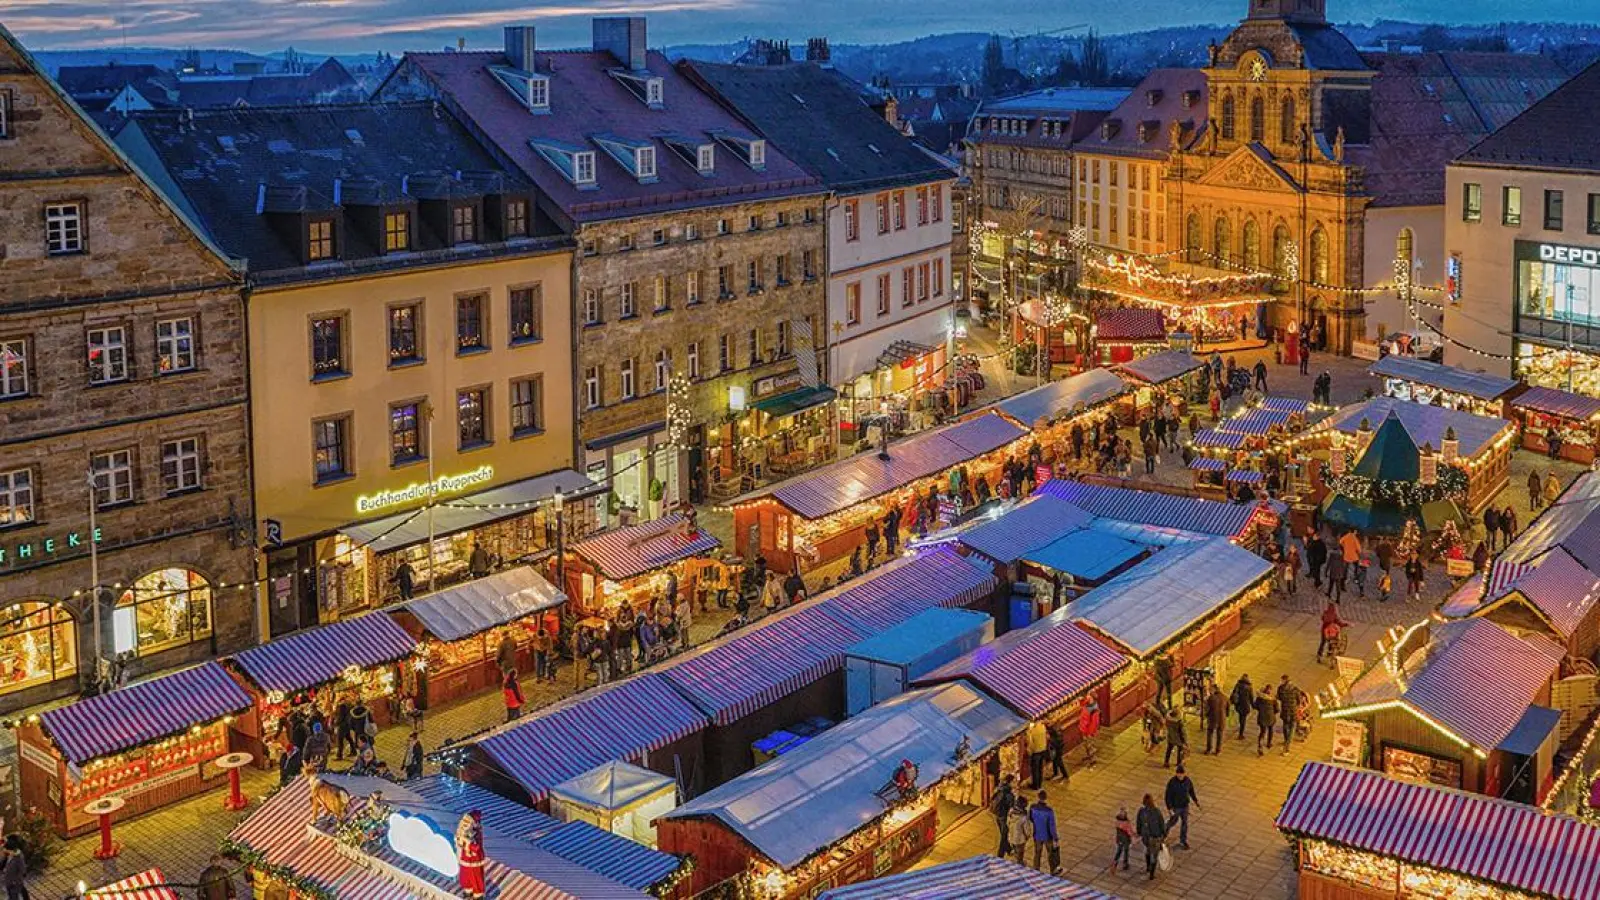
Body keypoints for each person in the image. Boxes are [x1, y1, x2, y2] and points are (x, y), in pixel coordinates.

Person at [1164, 765, 1200, 850]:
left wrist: (1196, 801)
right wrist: (1169, 808)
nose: (1180, 776)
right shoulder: (1172, 782)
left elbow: (1191, 791)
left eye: (1181, 774)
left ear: (1184, 774)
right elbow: (1167, 796)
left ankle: (1183, 841)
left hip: (1184, 806)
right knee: (1173, 821)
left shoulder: (1187, 781)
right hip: (1176, 806)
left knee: (1185, 823)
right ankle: (1163, 833)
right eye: (1178, 774)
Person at [1135, 793, 1168, 881]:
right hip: (1155, 837)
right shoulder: (1156, 811)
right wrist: (1164, 834)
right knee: (1155, 855)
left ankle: (1148, 867)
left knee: (1148, 851)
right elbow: (1161, 823)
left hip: (1146, 837)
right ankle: (1151, 875)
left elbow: (1138, 823)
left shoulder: (1141, 811)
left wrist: (1139, 832)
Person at [1029, 791, 1061, 875]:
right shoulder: (1049, 811)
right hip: (1047, 836)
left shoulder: (1033, 808)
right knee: (1051, 853)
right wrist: (1055, 837)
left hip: (1037, 834)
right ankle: (1053, 869)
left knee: (1037, 853)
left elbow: (1031, 818)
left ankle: (1036, 868)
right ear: (1045, 798)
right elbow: (1052, 826)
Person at [993, 773, 1017, 857]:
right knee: (1004, 836)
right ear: (1010, 782)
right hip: (1004, 817)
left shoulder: (1000, 788)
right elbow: (1011, 809)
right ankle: (1000, 856)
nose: (1016, 783)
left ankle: (1009, 850)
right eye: (1014, 782)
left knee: (1003, 834)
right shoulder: (1010, 795)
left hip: (997, 815)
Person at [1277, 676, 1300, 753]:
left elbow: (1279, 698)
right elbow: (1299, 700)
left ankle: (1286, 741)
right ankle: (1287, 745)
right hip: (1293, 711)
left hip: (1285, 711)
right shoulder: (1295, 689)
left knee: (1285, 726)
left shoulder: (1280, 689)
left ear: (1283, 680)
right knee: (1292, 727)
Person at [1203, 683, 1227, 754]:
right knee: (1220, 734)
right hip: (1222, 719)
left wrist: (1206, 715)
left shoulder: (1211, 698)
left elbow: (1207, 708)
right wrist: (1225, 715)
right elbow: (1228, 709)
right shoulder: (1225, 697)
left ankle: (1209, 749)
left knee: (1210, 733)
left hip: (1212, 718)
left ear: (1215, 689)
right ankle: (1218, 750)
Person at [3, 835, 29, 900]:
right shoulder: (11, 855)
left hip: (14, 883)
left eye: (8, 851)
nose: (6, 852)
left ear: (12, 850)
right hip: (9, 881)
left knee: (14, 896)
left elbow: (22, 871)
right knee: (11, 894)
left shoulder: (19, 858)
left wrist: (15, 881)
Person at [1255, 686, 1279, 755]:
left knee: (1262, 732)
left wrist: (1261, 710)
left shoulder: (1259, 698)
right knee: (1270, 730)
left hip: (1262, 717)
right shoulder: (1273, 700)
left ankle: (1260, 745)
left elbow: (1255, 706)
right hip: (1271, 717)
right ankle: (1269, 743)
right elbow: (1277, 709)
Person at [1006, 796, 1029, 864]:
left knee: (1015, 849)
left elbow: (1007, 823)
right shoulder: (1023, 817)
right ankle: (1019, 863)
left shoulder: (1011, 812)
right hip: (1020, 838)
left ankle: (1016, 860)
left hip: (1011, 835)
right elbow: (1027, 829)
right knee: (1020, 852)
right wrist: (1027, 836)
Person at [1230, 674, 1254, 740]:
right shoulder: (1249, 687)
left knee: (1241, 717)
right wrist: (1253, 705)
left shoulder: (1238, 685)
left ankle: (1241, 729)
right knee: (1243, 719)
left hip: (1238, 704)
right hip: (1245, 705)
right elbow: (1251, 697)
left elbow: (1233, 693)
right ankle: (1241, 734)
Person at [1026, 719, 1048, 789]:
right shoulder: (1043, 727)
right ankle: (1040, 783)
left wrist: (1030, 751)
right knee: (1040, 768)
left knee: (1035, 770)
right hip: (1043, 750)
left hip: (1035, 752)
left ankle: (1035, 785)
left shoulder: (1032, 731)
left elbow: (1030, 743)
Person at [1113, 807, 1134, 871]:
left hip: (1119, 839)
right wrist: (1133, 835)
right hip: (1126, 840)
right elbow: (1129, 832)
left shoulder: (1117, 821)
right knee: (1126, 851)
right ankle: (1125, 864)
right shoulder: (1126, 823)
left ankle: (1114, 864)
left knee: (1118, 851)